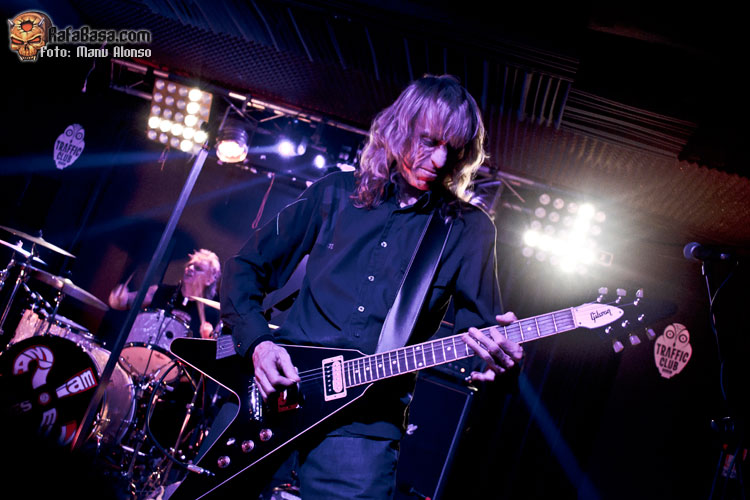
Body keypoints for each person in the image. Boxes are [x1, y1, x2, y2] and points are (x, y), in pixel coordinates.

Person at [220, 74, 524, 500]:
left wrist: (499, 362)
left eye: (453, 150)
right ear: (400, 128)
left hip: (363, 430)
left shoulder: (466, 230)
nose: (440, 160)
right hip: (276, 394)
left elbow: (480, 339)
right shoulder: (335, 192)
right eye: (429, 141)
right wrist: (259, 345)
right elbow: (245, 268)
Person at [108, 248, 222, 339]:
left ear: (210, 279)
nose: (190, 268)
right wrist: (118, 299)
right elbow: (124, 302)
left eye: (198, 268)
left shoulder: (212, 313)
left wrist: (208, 339)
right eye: (189, 265)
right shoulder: (161, 291)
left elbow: (211, 352)